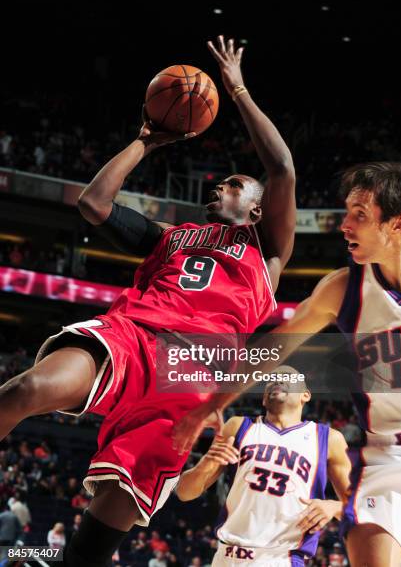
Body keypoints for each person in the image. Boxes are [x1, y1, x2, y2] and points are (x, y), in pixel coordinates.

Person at [0, 36, 296, 567]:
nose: (217, 188)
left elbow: (282, 169)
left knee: (93, 545)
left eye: (231, 185)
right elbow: (94, 204)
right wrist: (145, 142)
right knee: (26, 388)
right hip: (132, 339)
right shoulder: (169, 235)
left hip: (188, 380)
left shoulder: (267, 254)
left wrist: (238, 89)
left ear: (256, 210)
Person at [174, 162, 401, 567]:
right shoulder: (343, 289)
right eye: (347, 212)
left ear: (399, 223)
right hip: (388, 459)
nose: (345, 225)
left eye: (360, 215)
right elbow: (272, 348)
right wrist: (211, 404)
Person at [176, 366, 351, 566]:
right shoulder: (238, 426)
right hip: (227, 556)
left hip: (281, 558)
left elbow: (359, 504)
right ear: (263, 399)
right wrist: (205, 464)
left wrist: (333, 506)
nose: (277, 380)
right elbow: (184, 492)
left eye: (286, 377)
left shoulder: (329, 439)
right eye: (271, 379)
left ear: (306, 395)